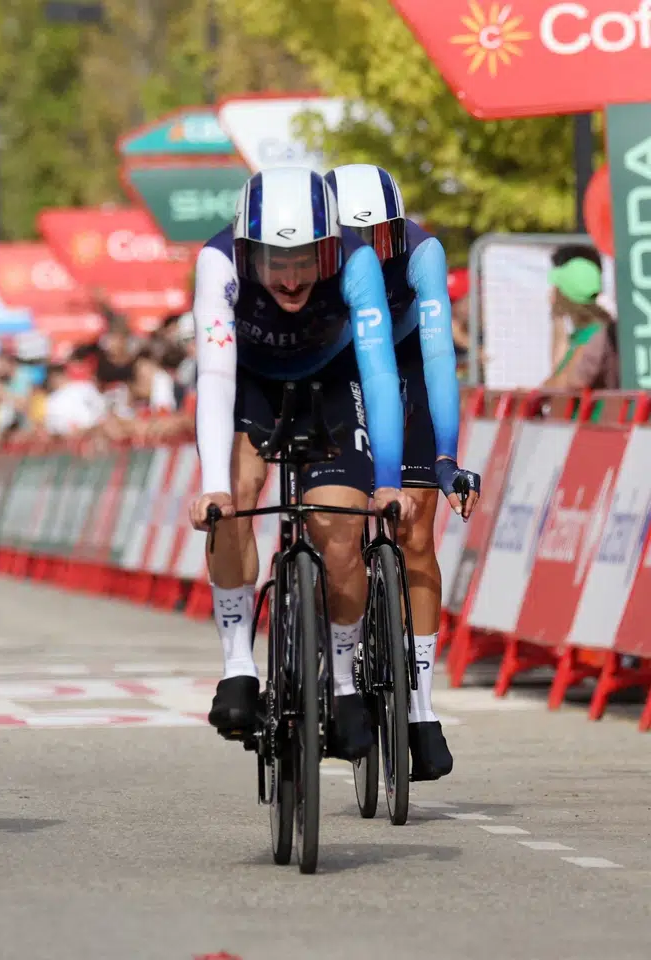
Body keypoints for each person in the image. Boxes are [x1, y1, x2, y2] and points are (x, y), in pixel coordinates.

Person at [188, 166, 417, 763]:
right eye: (274, 261)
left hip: (336, 383)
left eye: (305, 259)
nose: (290, 278)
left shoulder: (358, 262)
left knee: (339, 531)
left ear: (328, 248)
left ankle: (343, 683)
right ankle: (238, 666)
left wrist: (388, 481)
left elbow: (378, 370)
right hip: (252, 385)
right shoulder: (216, 264)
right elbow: (213, 373)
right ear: (245, 250)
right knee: (233, 497)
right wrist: (214, 488)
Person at [327, 163, 484, 780]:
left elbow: (441, 354)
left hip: (409, 363)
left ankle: (419, 705)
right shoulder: (311, 260)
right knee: (332, 522)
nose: (370, 251)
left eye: (381, 237)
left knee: (415, 533)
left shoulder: (422, 253)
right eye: (355, 239)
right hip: (340, 367)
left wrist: (445, 456)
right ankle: (330, 643)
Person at [543, 251, 618, 390]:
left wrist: (557, 313)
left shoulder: (594, 335)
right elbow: (557, 371)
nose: (551, 292)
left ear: (565, 295)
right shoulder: (583, 333)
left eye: (556, 288)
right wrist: (557, 318)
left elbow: (562, 385)